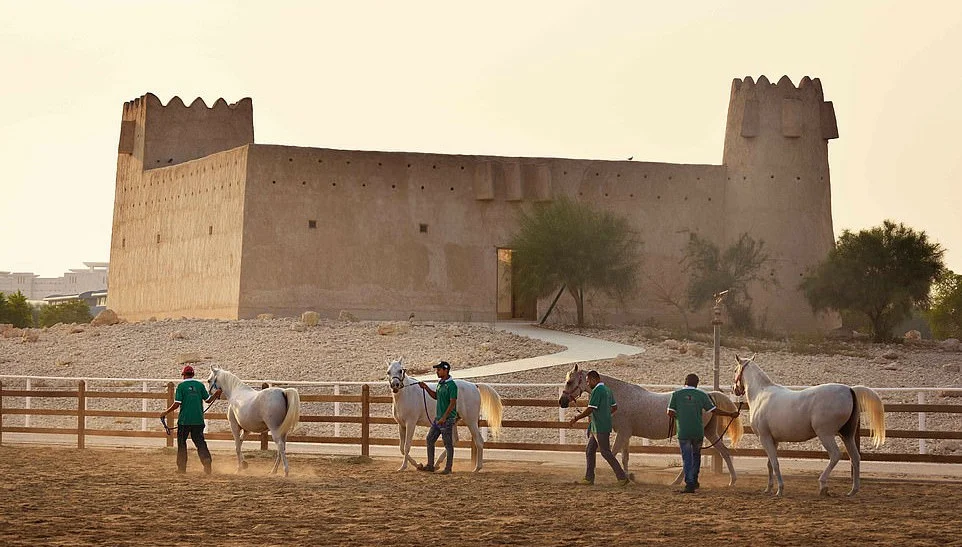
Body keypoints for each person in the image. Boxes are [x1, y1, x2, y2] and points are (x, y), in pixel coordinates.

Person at [667, 373, 739, 493]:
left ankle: (689, 484)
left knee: (687, 458)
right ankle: (694, 481)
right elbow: (714, 411)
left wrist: (682, 416)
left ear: (685, 382)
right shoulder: (701, 395)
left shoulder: (676, 394)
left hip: (684, 432)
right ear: (697, 384)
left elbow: (669, 412)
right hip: (697, 431)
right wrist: (730, 414)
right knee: (696, 456)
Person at [569, 370, 630, 486]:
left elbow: (590, 409)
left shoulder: (597, 390)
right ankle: (589, 478)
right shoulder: (607, 390)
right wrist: (605, 414)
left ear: (594, 379)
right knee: (590, 450)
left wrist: (576, 418)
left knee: (605, 452)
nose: (587, 384)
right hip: (600, 426)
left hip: (600, 427)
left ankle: (622, 477)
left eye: (588, 381)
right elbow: (614, 407)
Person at [160, 365, 222, 474]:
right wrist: (216, 394)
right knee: (200, 443)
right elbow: (208, 400)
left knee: (182, 443)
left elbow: (176, 404)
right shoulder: (200, 385)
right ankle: (207, 461)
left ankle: (181, 468)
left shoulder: (181, 386)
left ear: (183, 375)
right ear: (193, 374)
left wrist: (165, 412)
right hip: (198, 420)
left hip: (184, 421)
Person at [416, 360, 458, 474]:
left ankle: (448, 468)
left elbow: (452, 403)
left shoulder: (452, 385)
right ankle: (430, 465)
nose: (437, 372)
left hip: (446, 419)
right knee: (430, 439)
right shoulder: (441, 383)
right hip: (438, 418)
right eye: (437, 370)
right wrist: (426, 388)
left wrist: (444, 417)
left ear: (446, 370)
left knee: (448, 444)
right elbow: (436, 396)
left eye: (439, 370)